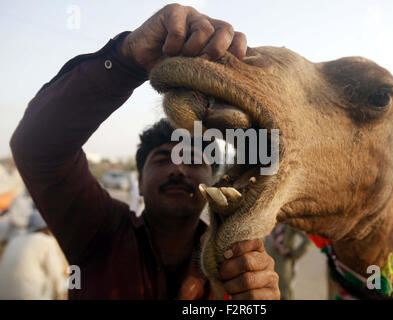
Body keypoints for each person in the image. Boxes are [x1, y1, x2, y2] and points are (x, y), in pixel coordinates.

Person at [10, 4, 280, 299]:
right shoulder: (98, 230)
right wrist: (128, 57)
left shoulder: (233, 264)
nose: (178, 169)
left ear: (213, 179)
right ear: (138, 182)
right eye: (163, 160)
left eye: (192, 160)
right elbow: (38, 148)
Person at [0, 210, 68, 300]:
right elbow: (56, 277)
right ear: (47, 228)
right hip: (30, 297)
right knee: (69, 283)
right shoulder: (46, 241)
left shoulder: (14, 241)